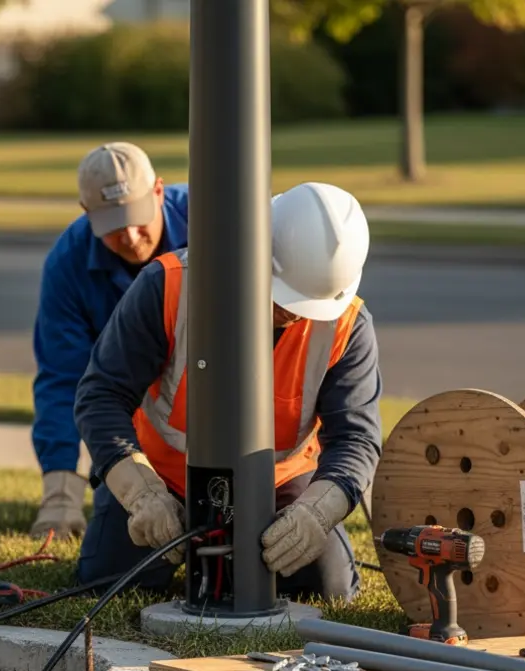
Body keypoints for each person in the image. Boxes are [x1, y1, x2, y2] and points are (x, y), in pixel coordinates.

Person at [71, 181, 383, 604]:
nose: (291, 314)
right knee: (107, 583)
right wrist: (140, 492)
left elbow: (356, 438)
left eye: (305, 306)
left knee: (326, 589)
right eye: (284, 298)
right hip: (162, 476)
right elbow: (101, 395)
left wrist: (318, 512)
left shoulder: (347, 325)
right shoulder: (170, 287)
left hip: (281, 485)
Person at [28, 141, 190, 540]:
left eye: (137, 217)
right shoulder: (67, 264)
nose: (132, 237)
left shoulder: (209, 219)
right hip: (130, 416)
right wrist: (61, 496)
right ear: (87, 215)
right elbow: (64, 379)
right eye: (114, 226)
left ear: (159, 191)